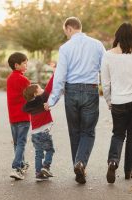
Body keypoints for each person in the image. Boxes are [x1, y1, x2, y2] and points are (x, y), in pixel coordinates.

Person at [44, 17, 105, 184]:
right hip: (90, 90)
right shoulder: (97, 45)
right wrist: (107, 94)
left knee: (75, 131)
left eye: (65, 32)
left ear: (69, 28)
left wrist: (52, 100)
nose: (66, 35)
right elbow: (105, 70)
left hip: (71, 91)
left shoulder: (65, 48)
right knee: (88, 131)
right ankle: (81, 163)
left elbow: (60, 76)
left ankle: (78, 165)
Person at [100, 22, 132, 184]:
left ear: (117, 36)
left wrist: (109, 100)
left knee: (118, 134)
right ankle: (128, 171)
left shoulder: (108, 55)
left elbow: (105, 83)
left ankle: (113, 161)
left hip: (118, 101)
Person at [23, 72, 55, 182]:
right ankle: (45, 167)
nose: (42, 90)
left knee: (38, 153)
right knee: (50, 150)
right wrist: (54, 74)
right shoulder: (42, 99)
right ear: (36, 94)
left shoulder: (30, 106)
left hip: (35, 134)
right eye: (40, 89)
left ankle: (38, 173)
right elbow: (49, 87)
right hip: (44, 133)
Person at [7, 52, 31, 180]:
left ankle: (22, 164)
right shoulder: (24, 80)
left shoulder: (9, 79)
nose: (26, 65)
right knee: (21, 142)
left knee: (17, 143)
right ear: (17, 65)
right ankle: (16, 168)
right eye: (24, 63)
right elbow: (31, 97)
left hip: (13, 117)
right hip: (24, 116)